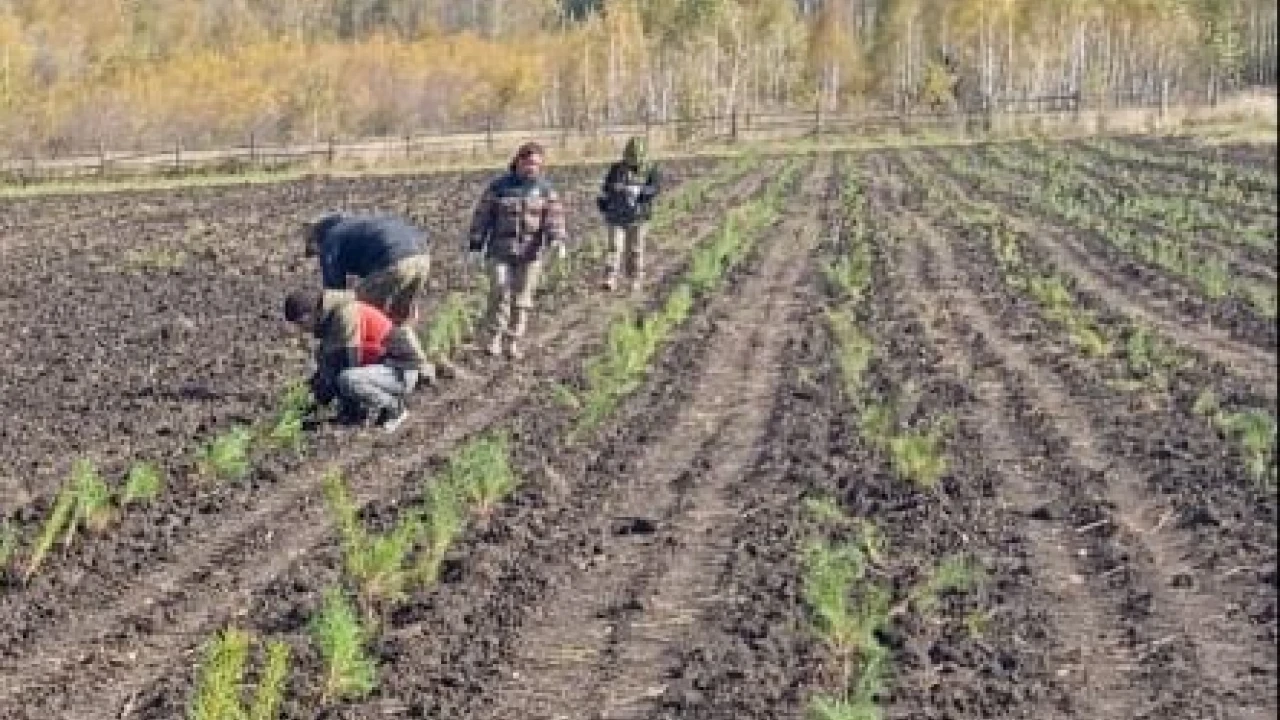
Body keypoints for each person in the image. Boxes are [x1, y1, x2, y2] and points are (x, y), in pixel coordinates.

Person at [466, 141, 569, 360]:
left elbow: (554, 219)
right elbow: (482, 216)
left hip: (530, 254)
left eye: (536, 164)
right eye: (528, 163)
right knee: (499, 293)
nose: (532, 167)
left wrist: (557, 240)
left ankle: (512, 342)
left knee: (522, 300)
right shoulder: (499, 187)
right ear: (519, 161)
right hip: (499, 251)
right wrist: (475, 245)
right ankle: (493, 339)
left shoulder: (545, 190)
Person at [283, 288, 428, 433]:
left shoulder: (346, 315)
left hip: (401, 370)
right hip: (384, 370)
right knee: (328, 363)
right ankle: (355, 414)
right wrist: (304, 407)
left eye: (301, 323)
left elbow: (348, 362)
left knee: (348, 379)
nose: (302, 329)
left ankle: (395, 409)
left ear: (312, 314)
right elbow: (327, 372)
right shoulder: (330, 322)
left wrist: (341, 403)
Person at [303, 212, 430, 326]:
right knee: (401, 317)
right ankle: (407, 349)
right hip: (423, 257)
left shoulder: (331, 239)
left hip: (394, 259)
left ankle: (370, 349)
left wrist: (327, 321)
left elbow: (334, 290)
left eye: (316, 252)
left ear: (317, 239)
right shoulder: (359, 225)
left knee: (361, 307)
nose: (318, 256)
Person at [596, 136, 661, 292]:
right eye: (630, 158)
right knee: (614, 247)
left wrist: (640, 191)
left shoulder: (651, 169)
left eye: (636, 159)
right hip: (616, 216)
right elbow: (606, 189)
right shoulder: (616, 169)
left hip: (638, 217)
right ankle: (610, 278)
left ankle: (635, 279)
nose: (632, 162)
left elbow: (654, 189)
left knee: (635, 249)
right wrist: (605, 202)